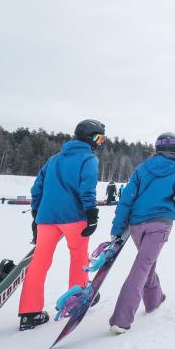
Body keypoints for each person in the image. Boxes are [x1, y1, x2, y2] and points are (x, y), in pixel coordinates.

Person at [18, 119, 104, 331]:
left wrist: (36, 213)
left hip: (47, 219)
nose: (99, 143)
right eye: (99, 138)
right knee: (79, 257)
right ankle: (77, 299)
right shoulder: (89, 159)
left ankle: (29, 312)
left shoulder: (54, 159)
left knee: (39, 262)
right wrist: (91, 213)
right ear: (90, 137)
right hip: (75, 217)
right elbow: (87, 189)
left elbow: (37, 188)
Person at [108, 131, 175, 335]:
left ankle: (154, 299)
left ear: (157, 149)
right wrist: (171, 207)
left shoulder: (142, 169)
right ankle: (122, 319)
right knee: (143, 265)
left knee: (146, 262)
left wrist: (118, 228)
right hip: (160, 224)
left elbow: (127, 199)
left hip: (137, 224)